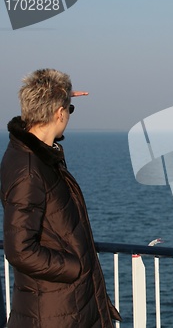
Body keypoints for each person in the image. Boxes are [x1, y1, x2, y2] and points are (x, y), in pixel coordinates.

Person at [1, 69, 121, 327]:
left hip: (64, 305)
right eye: (69, 109)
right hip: (55, 311)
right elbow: (19, 249)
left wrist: (60, 98)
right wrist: (74, 267)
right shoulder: (31, 170)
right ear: (59, 113)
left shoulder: (32, 154)